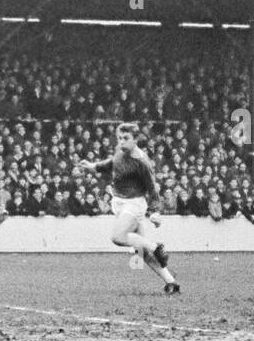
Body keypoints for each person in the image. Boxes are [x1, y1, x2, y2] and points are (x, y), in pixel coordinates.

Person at [77, 123, 180, 294]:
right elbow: (112, 163)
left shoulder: (142, 162)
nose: (122, 142)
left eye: (126, 138)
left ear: (136, 139)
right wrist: (93, 166)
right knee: (141, 251)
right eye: (120, 138)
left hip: (134, 203)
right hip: (119, 202)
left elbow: (152, 188)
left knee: (118, 237)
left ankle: (156, 247)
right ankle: (171, 282)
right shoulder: (120, 150)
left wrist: (155, 211)